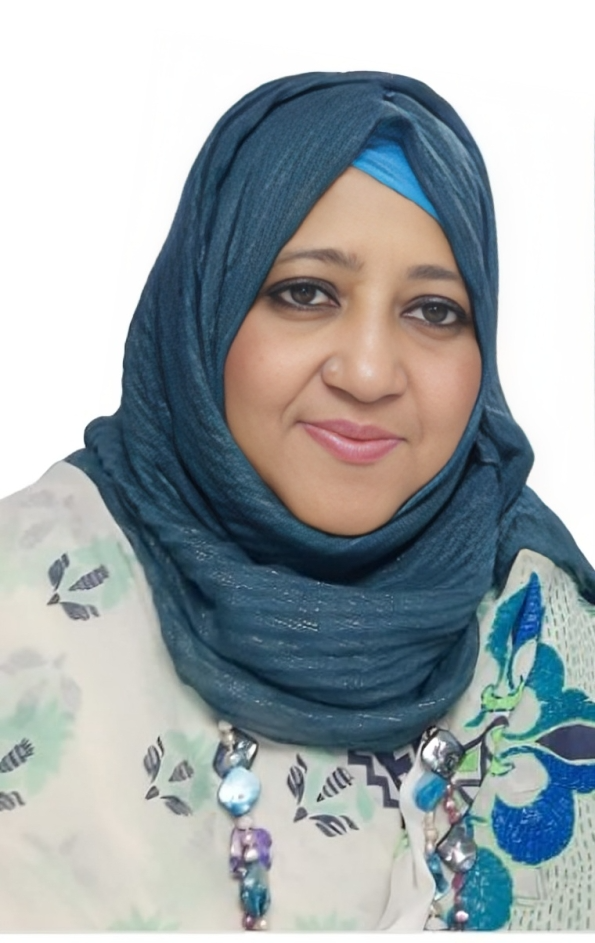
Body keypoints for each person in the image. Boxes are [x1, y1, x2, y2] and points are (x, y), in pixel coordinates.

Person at [0, 70, 594, 933]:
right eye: (305, 293)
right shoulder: (28, 603)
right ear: (204, 310)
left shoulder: (541, 633)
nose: (368, 372)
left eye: (433, 310)